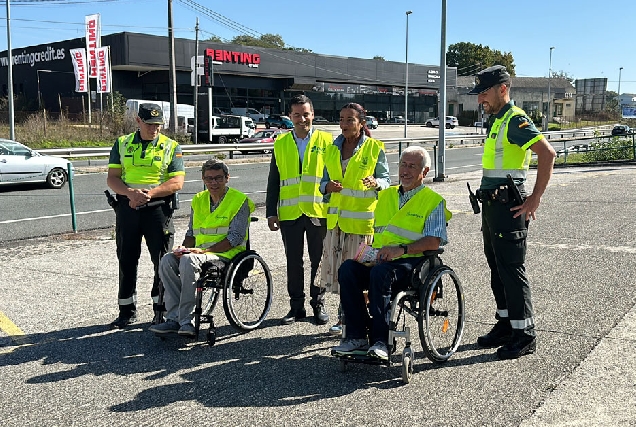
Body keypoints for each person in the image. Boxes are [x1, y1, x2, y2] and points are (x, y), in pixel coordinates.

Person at [468, 65, 556, 359]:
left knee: (512, 268)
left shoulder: (516, 119)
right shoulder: (497, 119)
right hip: (493, 207)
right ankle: (506, 324)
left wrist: (535, 198)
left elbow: (547, 153)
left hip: (509, 207)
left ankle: (525, 333)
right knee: (497, 267)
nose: (481, 99)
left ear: (502, 89)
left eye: (484, 92)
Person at [332, 146, 451, 360]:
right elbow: (380, 234)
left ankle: (382, 341)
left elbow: (434, 241)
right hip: (381, 259)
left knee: (381, 274)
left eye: (412, 166)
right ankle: (356, 336)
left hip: (412, 264)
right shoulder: (385, 196)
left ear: (424, 172)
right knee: (348, 269)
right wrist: (369, 253)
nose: (405, 171)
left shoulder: (432, 201)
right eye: (403, 165)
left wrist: (401, 250)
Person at [149, 159, 254, 336]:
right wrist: (183, 247)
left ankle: (186, 321)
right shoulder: (198, 200)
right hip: (199, 252)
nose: (213, 183)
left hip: (226, 253)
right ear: (203, 179)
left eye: (218, 178)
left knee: (189, 261)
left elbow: (235, 238)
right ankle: (173, 317)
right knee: (167, 260)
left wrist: (204, 251)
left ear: (227, 178)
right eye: (209, 179)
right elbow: (191, 234)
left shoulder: (239, 201)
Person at [106, 103, 185, 329]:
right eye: (150, 125)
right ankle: (126, 311)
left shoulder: (171, 146)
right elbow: (112, 178)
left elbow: (177, 182)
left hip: (158, 209)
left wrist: (148, 194)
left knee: (162, 261)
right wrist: (130, 193)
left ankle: (159, 310)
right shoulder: (122, 143)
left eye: (158, 125)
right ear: (138, 121)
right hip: (127, 207)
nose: (155, 129)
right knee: (127, 259)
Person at [320, 103, 391, 335]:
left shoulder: (373, 148)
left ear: (362, 122)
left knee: (358, 274)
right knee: (341, 274)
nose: (344, 125)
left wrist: (376, 183)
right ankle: (345, 319)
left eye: (350, 120)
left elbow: (386, 180)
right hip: (337, 223)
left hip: (361, 224)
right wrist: (327, 187)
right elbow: (323, 183)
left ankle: (358, 319)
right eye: (341, 119)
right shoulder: (332, 149)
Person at [265, 94, 333, 326]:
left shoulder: (327, 140)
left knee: (318, 262)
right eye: (297, 115)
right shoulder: (281, 143)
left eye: (306, 114)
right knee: (293, 262)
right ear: (290, 117)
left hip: (318, 212)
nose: (302, 119)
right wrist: (271, 212)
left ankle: (318, 303)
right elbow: (274, 179)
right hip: (290, 213)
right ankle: (296, 307)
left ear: (312, 114)